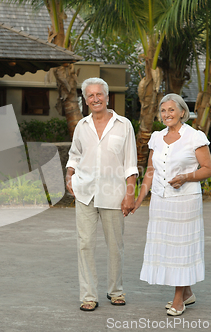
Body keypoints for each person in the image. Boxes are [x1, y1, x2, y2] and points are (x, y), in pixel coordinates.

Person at [131, 93, 211, 316]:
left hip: (185, 202)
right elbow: (150, 171)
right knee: (167, 248)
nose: (167, 114)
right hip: (160, 201)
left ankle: (179, 299)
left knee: (182, 248)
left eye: (171, 110)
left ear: (182, 113)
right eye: (163, 110)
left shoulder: (195, 137)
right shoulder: (156, 137)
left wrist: (186, 177)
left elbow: (208, 168)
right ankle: (186, 291)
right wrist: (139, 199)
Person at [66, 77, 138, 311]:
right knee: (85, 244)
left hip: (114, 194)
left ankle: (115, 291)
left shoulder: (124, 124)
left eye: (99, 94)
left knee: (115, 245)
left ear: (107, 97)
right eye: (90, 95)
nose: (95, 99)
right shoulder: (81, 126)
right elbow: (74, 155)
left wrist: (129, 194)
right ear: (85, 100)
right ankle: (88, 296)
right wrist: (70, 176)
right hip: (85, 192)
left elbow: (130, 163)